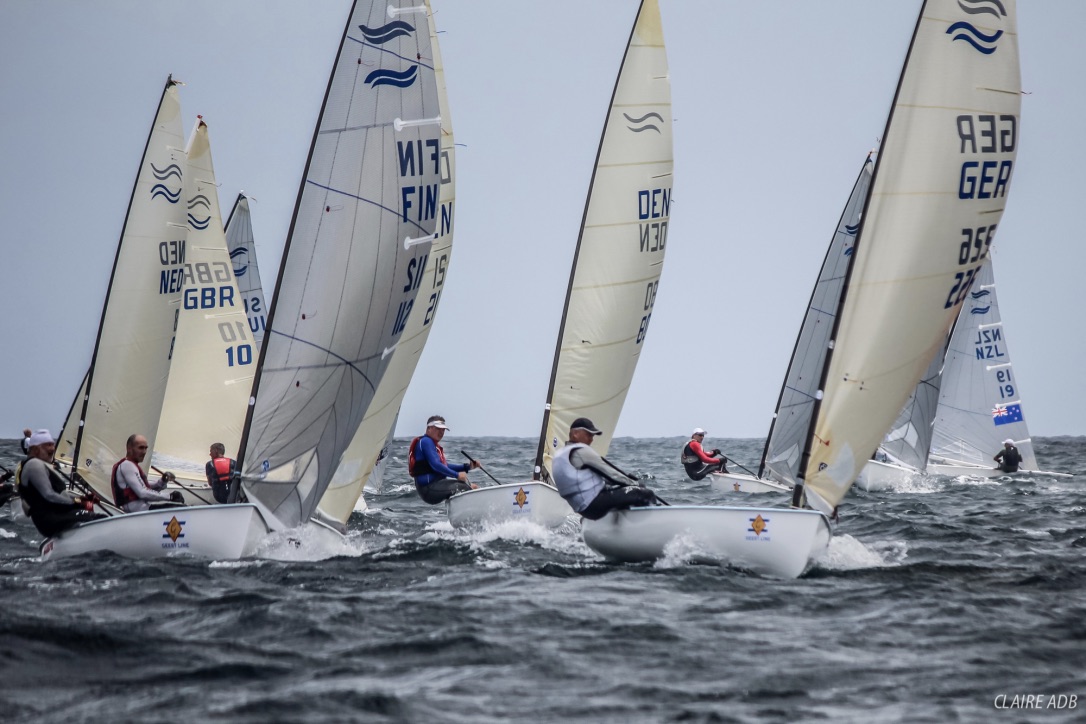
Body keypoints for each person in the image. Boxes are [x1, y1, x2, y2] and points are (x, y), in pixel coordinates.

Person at [552, 417, 658, 520]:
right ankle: (656, 520)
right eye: (589, 435)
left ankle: (619, 521)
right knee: (645, 492)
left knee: (627, 492)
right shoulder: (581, 451)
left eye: (592, 436)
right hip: (595, 503)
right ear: (575, 434)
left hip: (584, 509)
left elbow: (597, 477)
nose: (591, 439)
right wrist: (634, 483)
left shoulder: (560, 455)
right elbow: (611, 474)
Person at [17, 429, 104, 536]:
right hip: (49, 519)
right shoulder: (34, 465)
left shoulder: (42, 465)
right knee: (100, 518)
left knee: (92, 515)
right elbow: (49, 495)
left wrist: (82, 498)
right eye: (48, 445)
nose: (52, 449)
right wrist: (77, 503)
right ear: (35, 450)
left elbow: (61, 495)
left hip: (56, 516)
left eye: (53, 445)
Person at [409, 415, 479, 504]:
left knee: (469, 487)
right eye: (438, 429)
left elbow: (444, 465)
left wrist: (468, 467)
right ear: (429, 428)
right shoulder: (426, 441)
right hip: (428, 489)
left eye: (443, 430)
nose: (441, 432)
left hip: (435, 485)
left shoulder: (432, 444)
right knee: (464, 487)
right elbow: (436, 465)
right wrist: (456, 475)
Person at [111, 434, 182, 512]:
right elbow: (142, 493)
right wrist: (170, 496)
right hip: (137, 513)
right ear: (129, 449)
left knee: (181, 507)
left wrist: (162, 481)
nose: (144, 452)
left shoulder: (131, 465)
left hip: (142, 510)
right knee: (181, 509)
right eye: (141, 448)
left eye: (145, 448)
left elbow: (144, 487)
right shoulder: (127, 465)